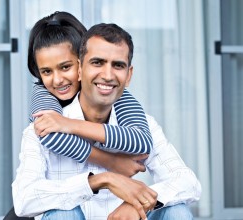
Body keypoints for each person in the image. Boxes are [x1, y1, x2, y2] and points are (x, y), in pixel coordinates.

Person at [12, 22, 201, 219]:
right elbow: (24, 200)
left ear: (128, 76)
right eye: (97, 63)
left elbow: (188, 182)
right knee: (62, 214)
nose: (108, 75)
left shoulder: (141, 124)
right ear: (80, 68)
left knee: (176, 211)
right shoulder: (44, 126)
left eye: (118, 65)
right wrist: (100, 180)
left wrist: (138, 203)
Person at [28, 11, 153, 165]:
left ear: (82, 64)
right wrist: (112, 162)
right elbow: (49, 134)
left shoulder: (110, 91)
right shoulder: (43, 92)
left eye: (66, 67)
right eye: (46, 71)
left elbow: (141, 140)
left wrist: (68, 125)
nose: (58, 80)